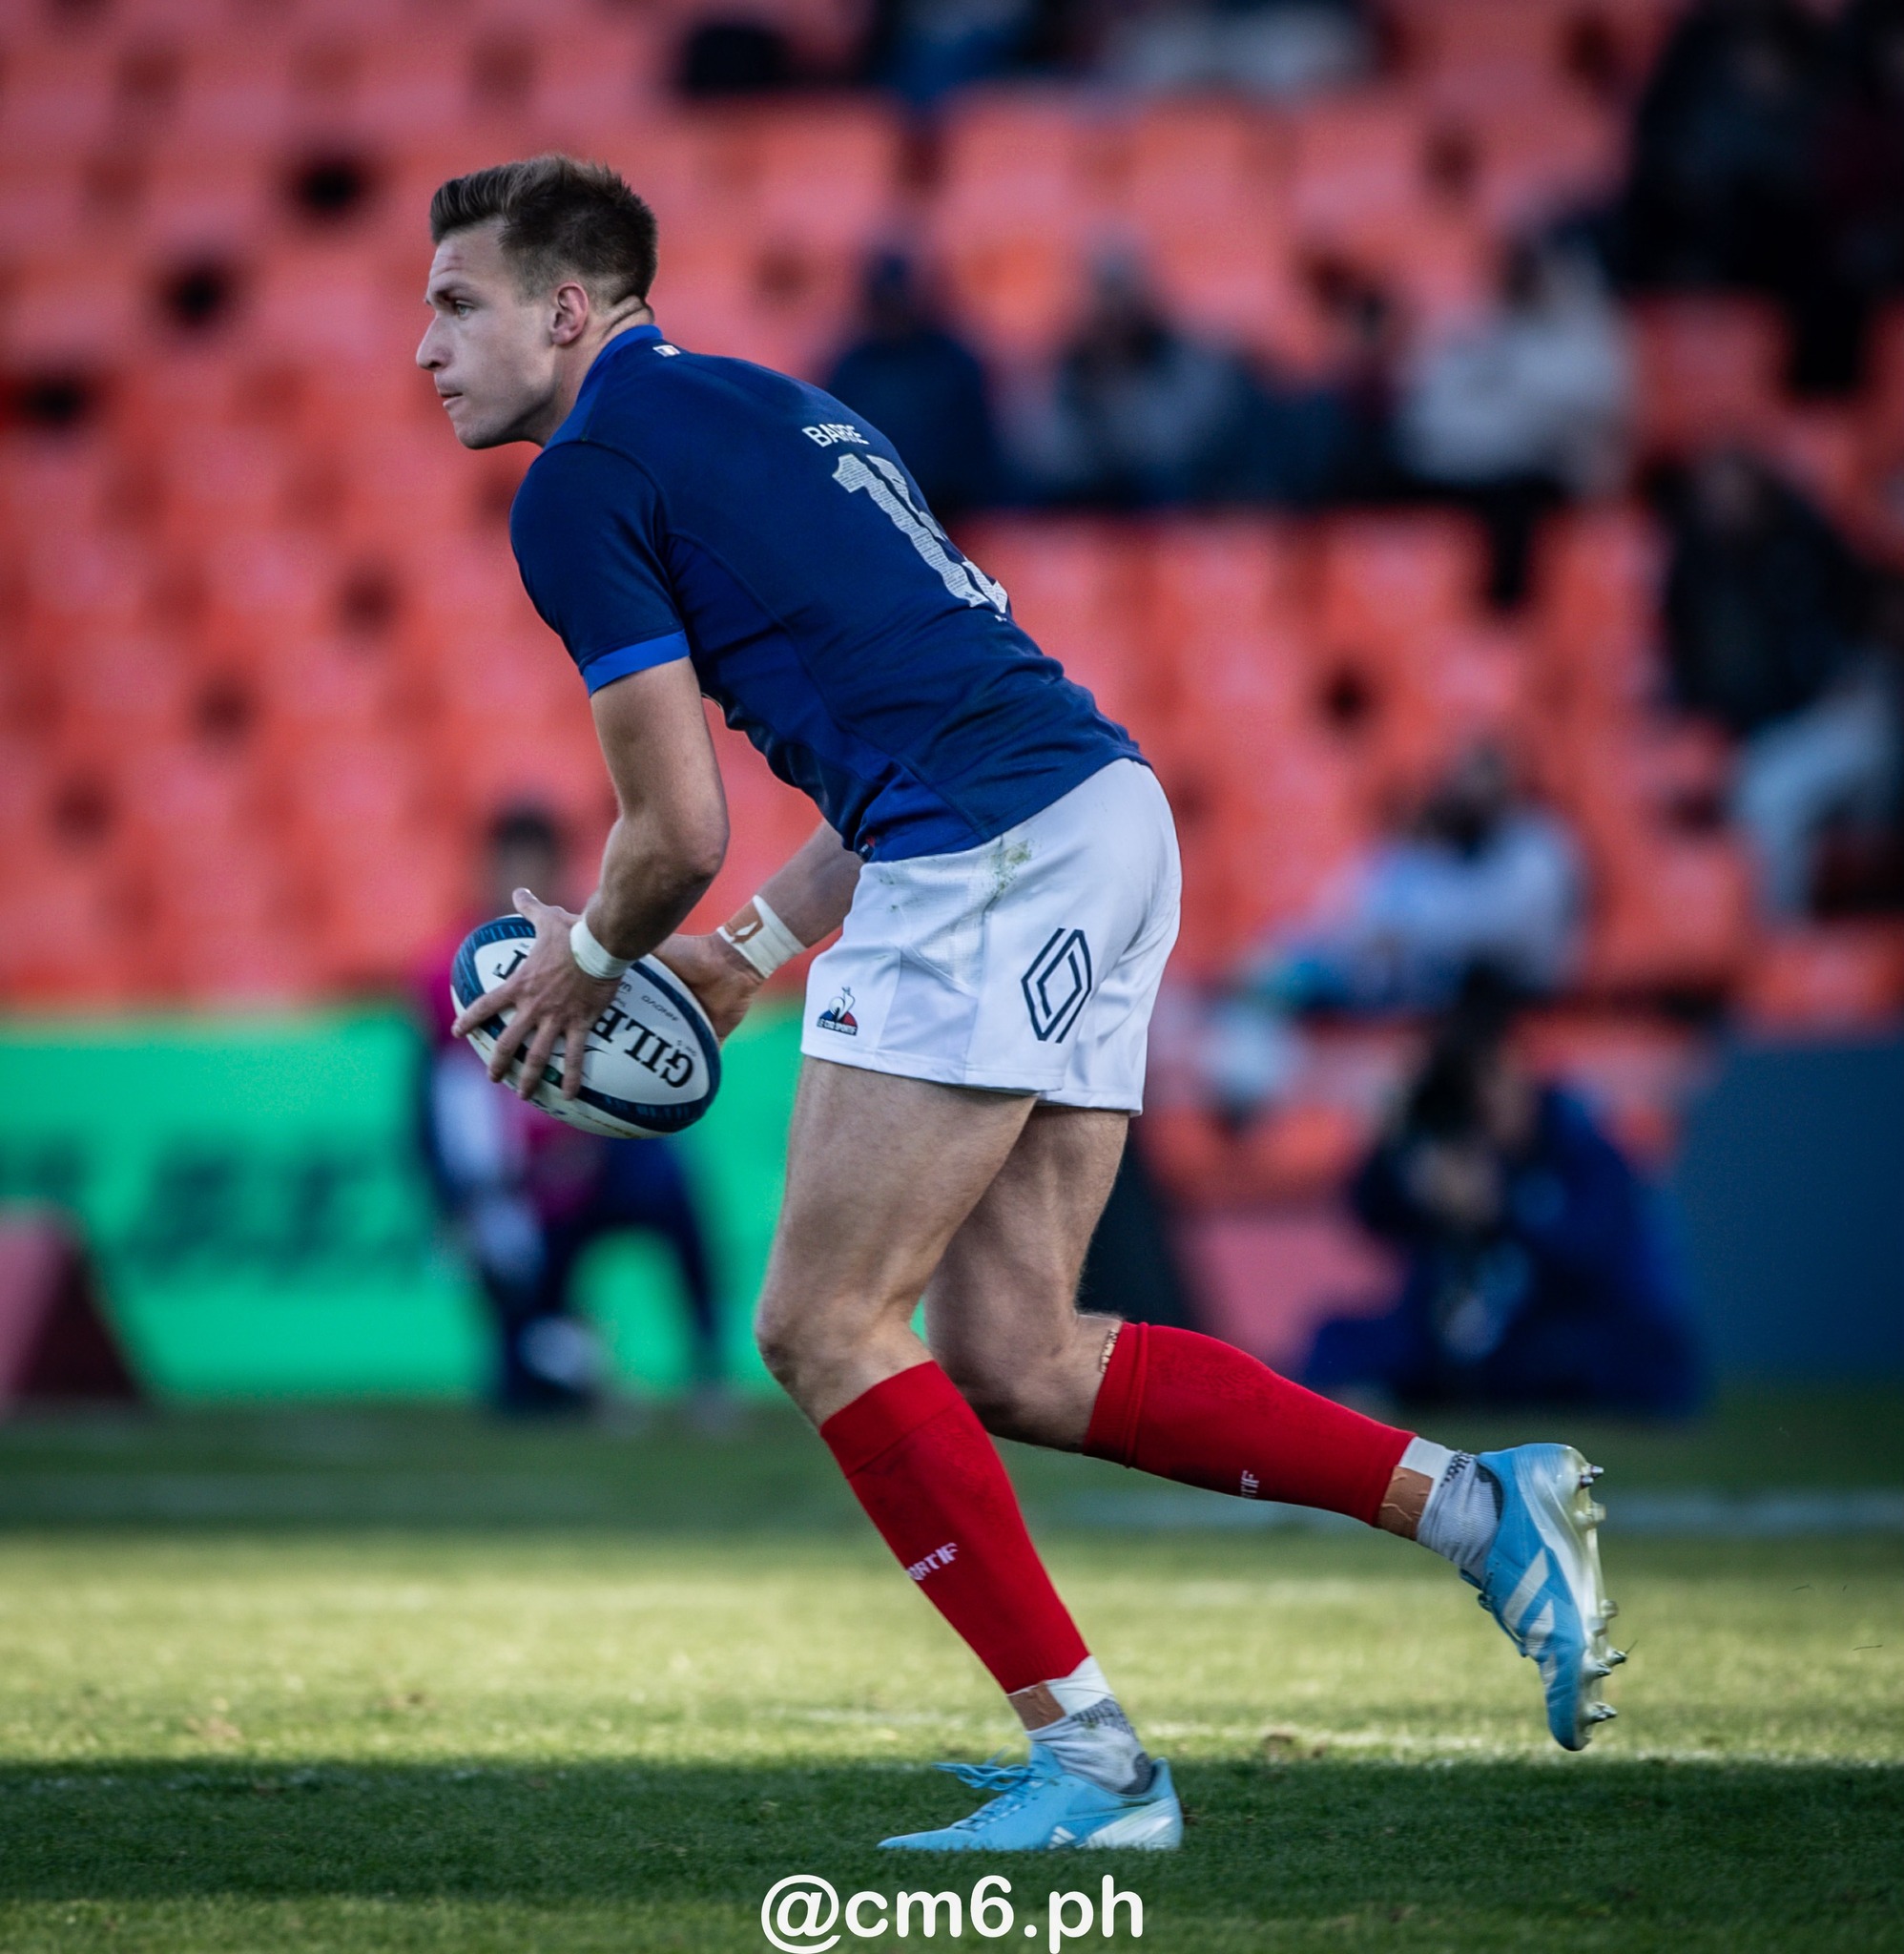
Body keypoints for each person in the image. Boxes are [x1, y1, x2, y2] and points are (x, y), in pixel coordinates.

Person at [417, 155, 1623, 1852]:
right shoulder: (783, 410)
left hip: (986, 850)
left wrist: (589, 960)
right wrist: (752, 952)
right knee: (1016, 1349)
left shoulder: (581, 479)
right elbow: (897, 718)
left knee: (822, 1322)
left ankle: (1099, 1765)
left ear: (566, 305)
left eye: (456, 302)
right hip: (1096, 810)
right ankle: (1480, 1506)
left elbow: (671, 826)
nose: (425, 347)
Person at [416, 803, 723, 1414]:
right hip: (517, 1187)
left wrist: (589, 1151)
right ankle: (568, 1363)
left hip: (603, 1162)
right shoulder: (446, 967)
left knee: (674, 1191)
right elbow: (426, 1100)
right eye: (508, 863)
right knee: (519, 1392)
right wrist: (456, 1201)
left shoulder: (604, 944)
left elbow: (631, 1073)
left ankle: (706, 1371)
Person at [1307, 981, 1702, 1417]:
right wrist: (1393, 1144)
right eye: (1470, 1084)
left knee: (1602, 1357)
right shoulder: (1451, 1149)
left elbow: (1592, 1255)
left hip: (1567, 1323)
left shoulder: (1579, 1143)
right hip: (1468, 1327)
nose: (1484, 1100)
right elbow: (1372, 1216)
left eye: (1492, 1076)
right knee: (1339, 1341)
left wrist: (1499, 1209)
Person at [1396, 238, 1632, 610]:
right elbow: (1427, 417)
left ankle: (1507, 624)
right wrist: (1519, 417)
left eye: (1538, 274)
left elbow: (1600, 413)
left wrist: (1512, 413)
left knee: (1515, 509)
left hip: (1540, 472)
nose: (1529, 283)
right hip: (1461, 465)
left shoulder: (1588, 335)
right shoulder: (1468, 329)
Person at [1015, 254, 1264, 509]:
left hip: (1168, 508)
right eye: (1103, 294)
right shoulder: (1059, 366)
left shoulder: (1186, 360)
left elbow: (1183, 449)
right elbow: (1043, 454)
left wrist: (1120, 407)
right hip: (1084, 500)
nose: (1113, 309)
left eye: (1120, 293)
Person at [1663, 448, 1868, 742]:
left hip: (1819, 707)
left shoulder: (1802, 541)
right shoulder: (1693, 569)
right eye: (1717, 498)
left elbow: (1850, 607)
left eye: (1737, 492)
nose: (1728, 505)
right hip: (1737, 728)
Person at [822, 252, 1003, 518]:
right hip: (872, 505)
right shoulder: (854, 366)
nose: (895, 312)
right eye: (886, 302)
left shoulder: (953, 362)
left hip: (952, 509)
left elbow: (977, 449)